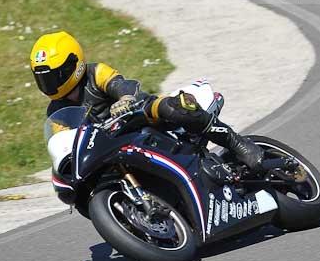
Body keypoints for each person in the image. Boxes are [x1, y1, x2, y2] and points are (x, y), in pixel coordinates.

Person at [30, 30, 263, 170]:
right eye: (43, 78)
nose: (49, 83)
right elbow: (64, 142)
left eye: (54, 75)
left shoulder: (95, 73)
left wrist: (126, 98)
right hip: (107, 144)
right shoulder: (55, 110)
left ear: (75, 64)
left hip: (139, 116)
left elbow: (120, 84)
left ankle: (237, 143)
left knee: (174, 107)